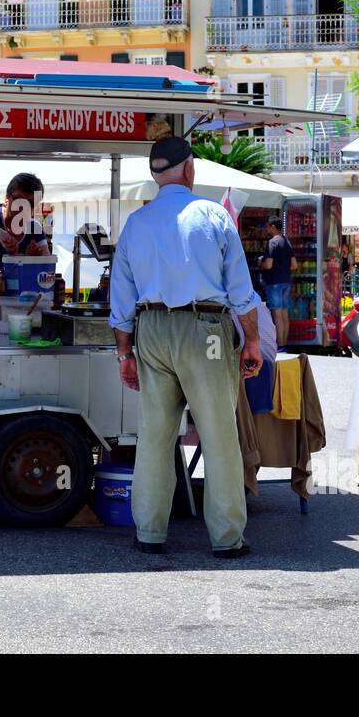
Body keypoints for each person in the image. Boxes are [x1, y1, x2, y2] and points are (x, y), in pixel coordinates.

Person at [109, 136, 262, 558]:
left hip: (151, 329)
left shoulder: (136, 223)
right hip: (206, 330)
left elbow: (120, 297)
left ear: (156, 176)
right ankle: (227, 538)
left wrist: (124, 353)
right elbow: (241, 291)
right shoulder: (213, 216)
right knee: (217, 434)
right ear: (190, 169)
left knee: (155, 437)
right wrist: (251, 340)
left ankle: (149, 533)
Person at [259, 216, 294, 349]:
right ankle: (284, 344)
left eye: (268, 226)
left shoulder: (272, 243)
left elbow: (268, 264)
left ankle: (279, 346)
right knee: (284, 315)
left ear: (273, 227)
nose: (266, 229)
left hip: (274, 282)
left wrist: (261, 262)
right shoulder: (287, 242)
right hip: (286, 280)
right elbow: (294, 264)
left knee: (277, 315)